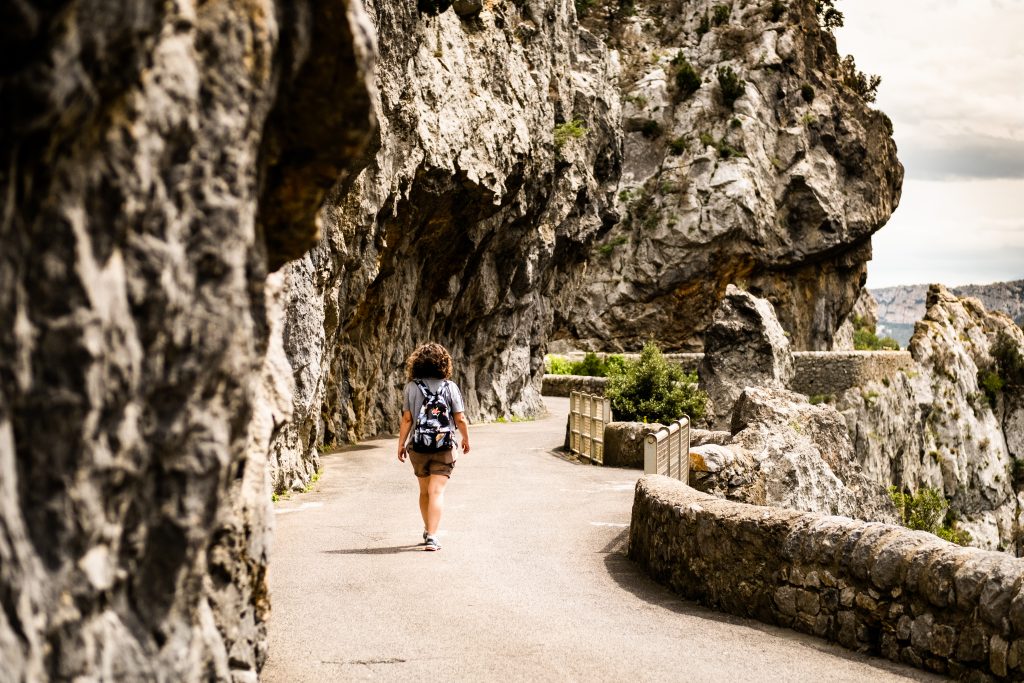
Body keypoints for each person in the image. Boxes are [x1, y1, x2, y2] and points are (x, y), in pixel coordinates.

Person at [397, 343, 470, 551]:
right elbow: (460, 418)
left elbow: (407, 419)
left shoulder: (411, 387)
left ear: (417, 363)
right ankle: (432, 536)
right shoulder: (451, 387)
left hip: (419, 447)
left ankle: (428, 528)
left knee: (424, 491)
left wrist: (401, 444)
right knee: (436, 491)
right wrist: (465, 439)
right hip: (444, 447)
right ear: (444, 364)